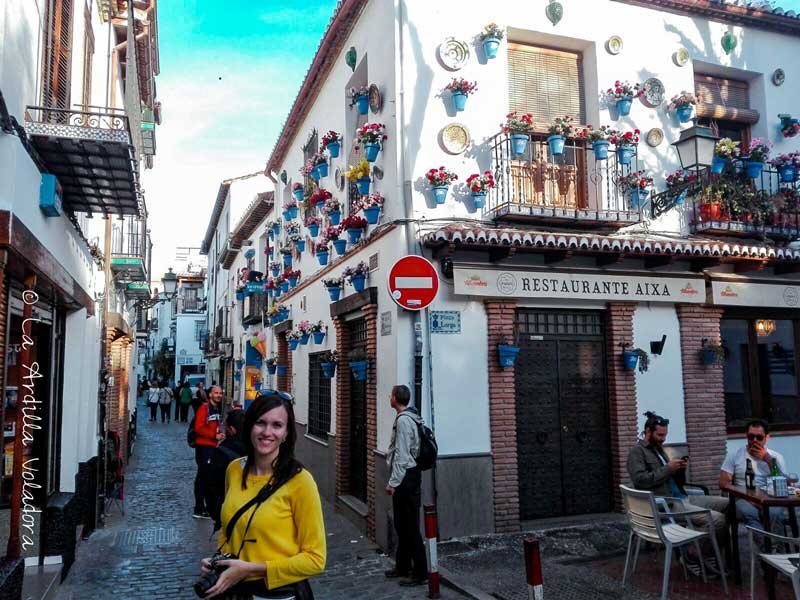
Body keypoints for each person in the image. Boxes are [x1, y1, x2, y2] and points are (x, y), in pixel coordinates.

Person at [199, 391, 326, 599]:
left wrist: (251, 569)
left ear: (286, 433)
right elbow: (228, 529)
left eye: (277, 425)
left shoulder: (300, 482)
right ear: (249, 426)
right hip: (235, 591)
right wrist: (218, 560)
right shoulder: (234, 470)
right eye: (260, 423)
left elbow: (315, 559)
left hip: (276, 594)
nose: (267, 432)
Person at [627, 412, 728, 559]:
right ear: (648, 432)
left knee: (729, 504)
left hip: (682, 496)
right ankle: (692, 554)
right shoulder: (637, 452)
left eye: (665, 435)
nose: (663, 439)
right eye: (660, 435)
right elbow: (640, 480)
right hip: (667, 503)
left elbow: (674, 481)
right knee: (718, 520)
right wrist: (668, 468)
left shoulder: (659, 449)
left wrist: (679, 469)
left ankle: (719, 553)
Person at [384, 385, 428, 587]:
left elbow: (402, 455)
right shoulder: (411, 417)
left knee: (409, 526)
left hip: (406, 478)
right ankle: (402, 566)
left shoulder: (404, 421)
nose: (389, 397)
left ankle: (420, 572)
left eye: (391, 395)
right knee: (402, 524)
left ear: (395, 399)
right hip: (409, 475)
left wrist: (393, 482)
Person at [720, 418, 789, 533]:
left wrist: (767, 459)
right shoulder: (735, 455)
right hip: (744, 498)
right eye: (751, 437)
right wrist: (747, 496)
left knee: (775, 514)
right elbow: (723, 483)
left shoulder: (775, 457)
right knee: (750, 515)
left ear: (767, 437)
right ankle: (767, 549)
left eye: (759, 437)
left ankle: (777, 548)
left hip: (769, 498)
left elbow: (785, 483)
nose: (755, 440)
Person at [207, 409, 246, 530]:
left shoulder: (223, 452)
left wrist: (216, 514)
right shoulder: (260, 449)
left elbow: (212, 487)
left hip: (230, 512)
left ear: (232, 430)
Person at [193, 384, 225, 519]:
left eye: (220, 393)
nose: (219, 395)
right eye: (216, 393)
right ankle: (199, 508)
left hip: (212, 446)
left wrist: (220, 432)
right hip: (204, 447)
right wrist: (213, 435)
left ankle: (205, 506)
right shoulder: (204, 408)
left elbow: (214, 425)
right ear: (210, 394)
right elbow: (198, 428)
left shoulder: (216, 408)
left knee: (207, 477)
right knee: (202, 477)